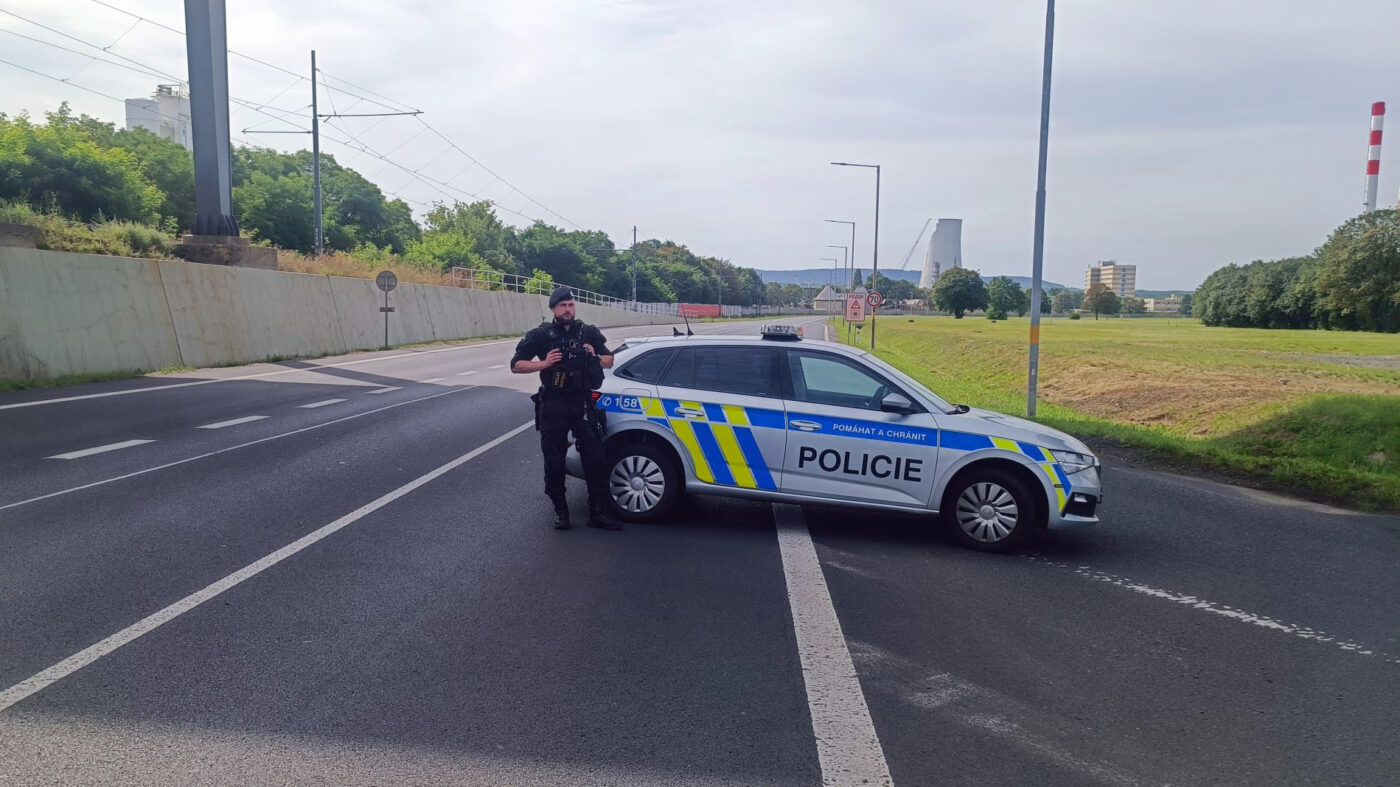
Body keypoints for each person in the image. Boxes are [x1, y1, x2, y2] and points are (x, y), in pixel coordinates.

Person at [510, 286, 621, 531]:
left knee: (596, 457)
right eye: (562, 306)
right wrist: (544, 364)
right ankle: (560, 509)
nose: (567, 310)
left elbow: (609, 360)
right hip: (554, 404)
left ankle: (597, 512)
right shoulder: (541, 335)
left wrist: (593, 355)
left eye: (570, 305)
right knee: (554, 460)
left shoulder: (588, 332)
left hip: (582, 402)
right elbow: (516, 365)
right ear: (553, 309)